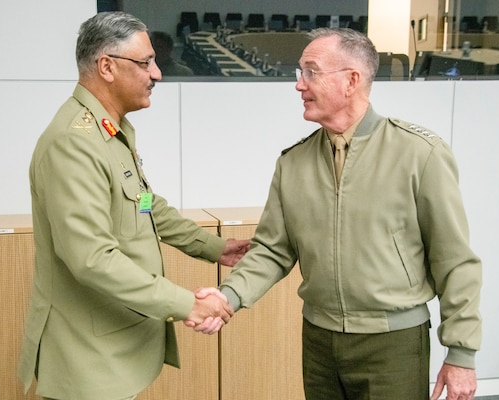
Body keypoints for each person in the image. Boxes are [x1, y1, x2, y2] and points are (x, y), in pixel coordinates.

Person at [195, 28, 482, 400]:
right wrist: (227, 297)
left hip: (392, 343)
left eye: (310, 72)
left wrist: (461, 352)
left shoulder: (419, 154)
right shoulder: (293, 163)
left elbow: (455, 260)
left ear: (351, 80)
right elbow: (271, 250)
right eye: (300, 72)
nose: (299, 84)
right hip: (318, 341)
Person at [17, 11, 249, 400]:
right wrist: (184, 303)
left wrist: (213, 247)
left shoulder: (111, 131)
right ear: (106, 66)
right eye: (145, 63)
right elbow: (91, 257)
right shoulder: (74, 144)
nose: (157, 73)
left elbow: (143, 204)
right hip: (88, 360)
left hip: (115, 348)